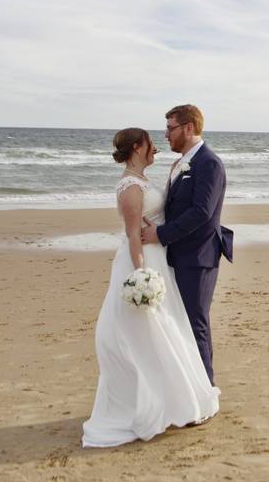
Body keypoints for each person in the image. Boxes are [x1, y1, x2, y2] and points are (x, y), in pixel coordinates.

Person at [82, 128, 220, 448]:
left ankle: (175, 395)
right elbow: (133, 235)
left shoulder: (142, 180)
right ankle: (154, 400)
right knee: (150, 331)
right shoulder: (130, 187)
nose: (156, 148)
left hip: (160, 259)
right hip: (144, 262)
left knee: (169, 328)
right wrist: (141, 275)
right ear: (136, 147)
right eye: (150, 144)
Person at [141, 104, 232, 386]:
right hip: (178, 255)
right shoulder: (182, 162)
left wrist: (161, 234)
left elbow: (201, 212)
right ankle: (187, 390)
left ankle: (206, 391)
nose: (166, 134)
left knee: (195, 325)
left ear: (189, 128)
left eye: (171, 128)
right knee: (180, 324)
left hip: (198, 257)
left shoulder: (209, 163)